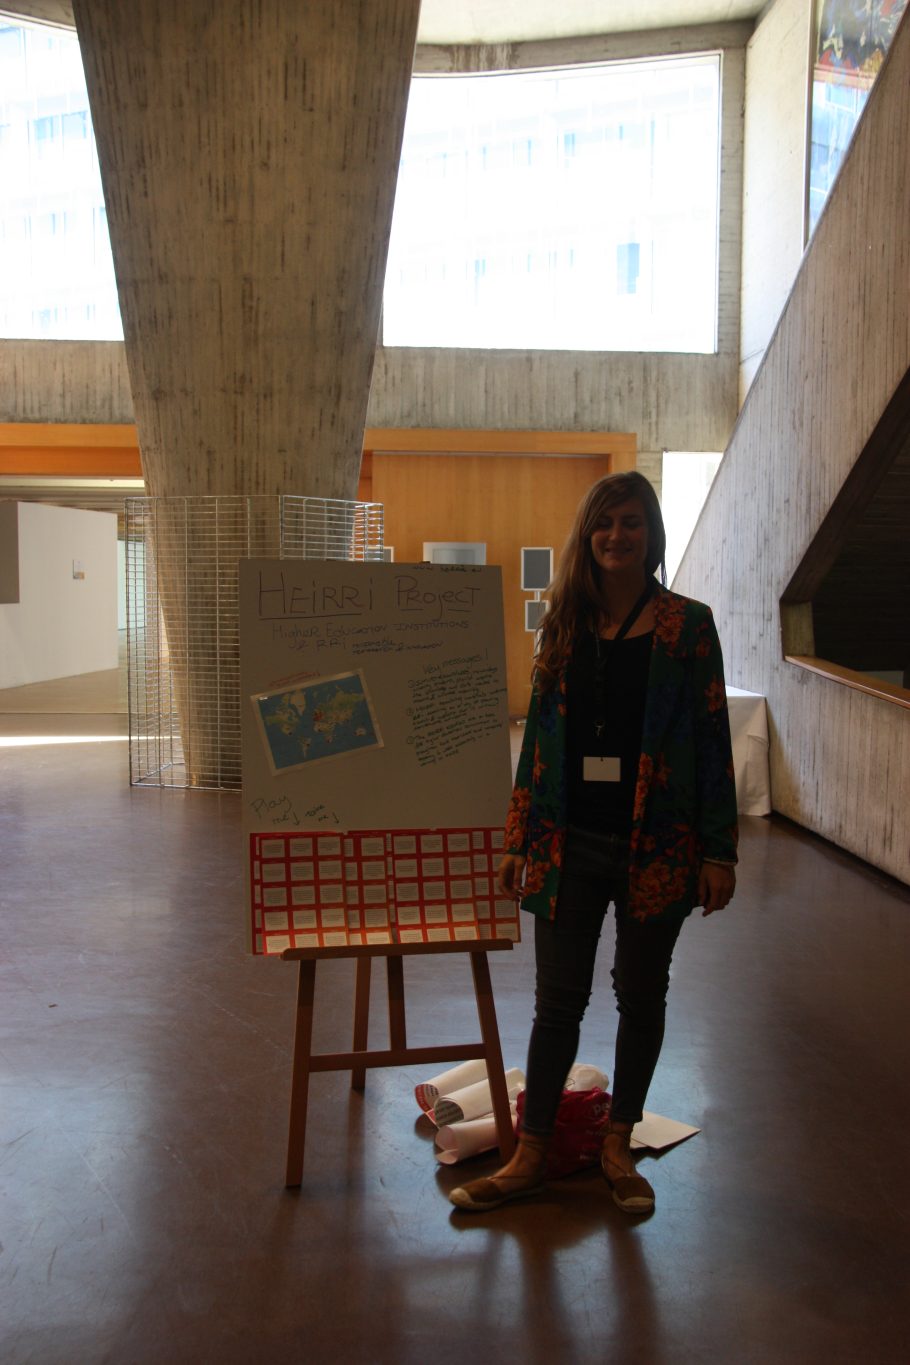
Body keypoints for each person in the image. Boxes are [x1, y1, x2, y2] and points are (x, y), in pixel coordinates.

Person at [450, 471, 738, 1216]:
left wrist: (719, 851)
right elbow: (538, 740)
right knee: (557, 1002)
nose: (617, 535)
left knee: (641, 997)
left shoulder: (687, 627)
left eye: (631, 521)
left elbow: (712, 739)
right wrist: (518, 836)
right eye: (605, 523)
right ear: (588, 535)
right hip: (568, 840)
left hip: (659, 845)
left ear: (652, 534)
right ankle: (530, 1154)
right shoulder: (565, 623)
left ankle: (617, 1145)